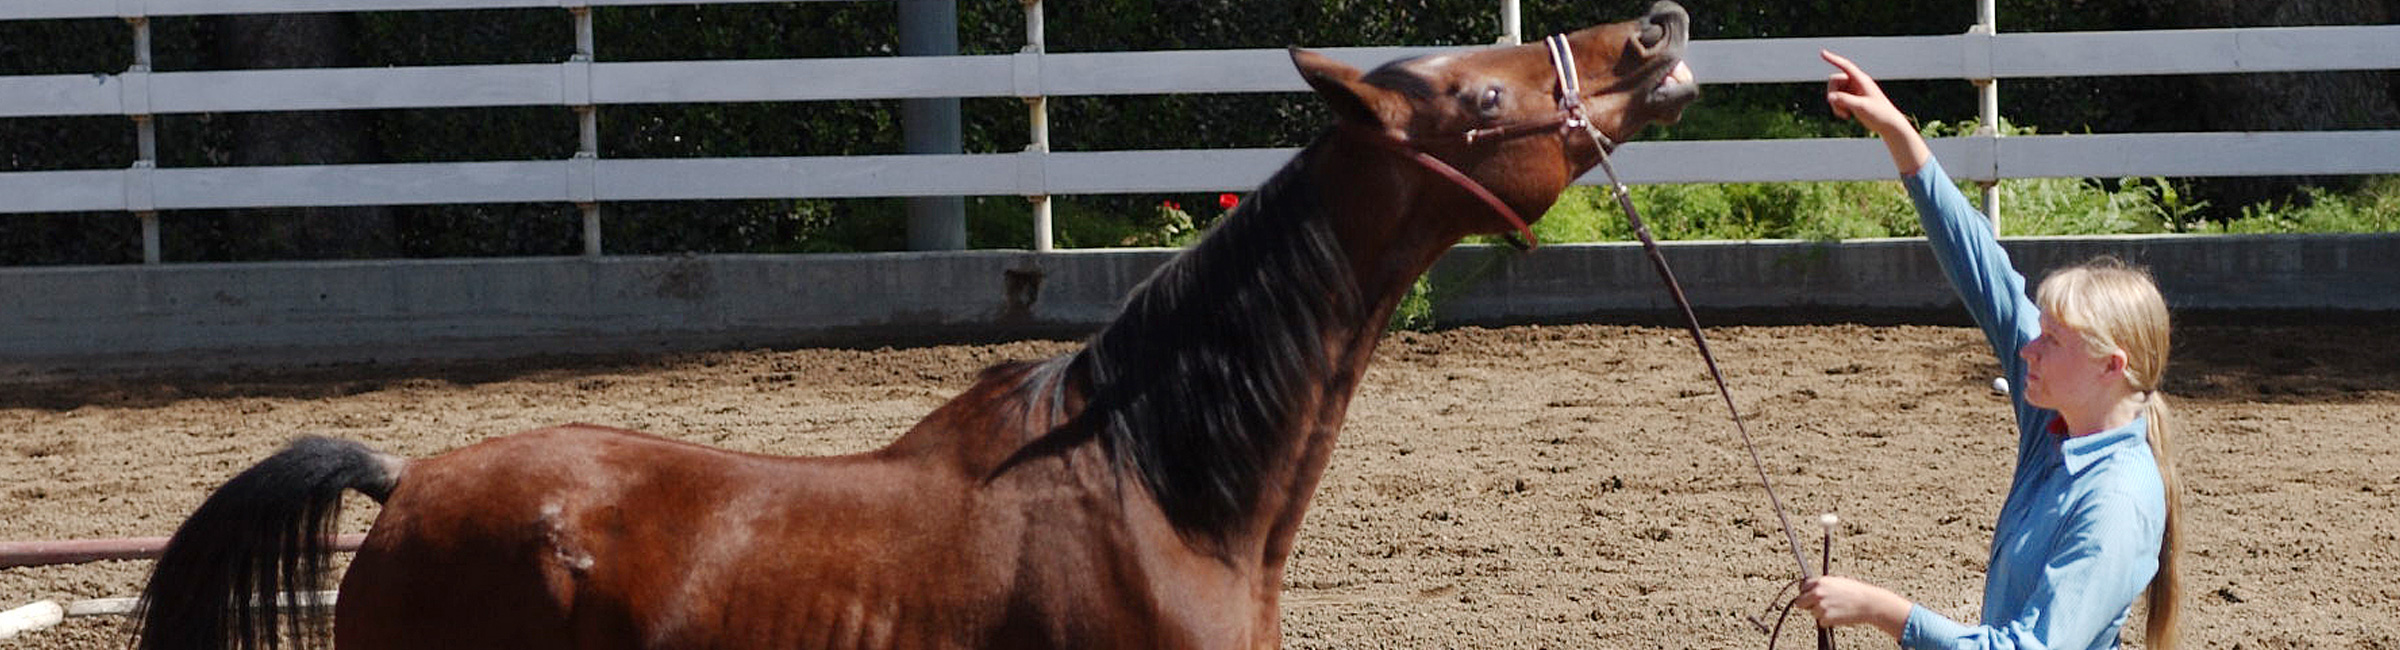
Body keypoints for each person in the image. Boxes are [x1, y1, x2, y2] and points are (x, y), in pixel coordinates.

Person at [1794, 50, 2185, 650]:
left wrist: (1884, 610)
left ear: (2112, 365)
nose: (2028, 349)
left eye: (2052, 340)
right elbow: (1986, 273)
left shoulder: (2115, 503)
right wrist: (1899, 132)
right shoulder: (2060, 425)